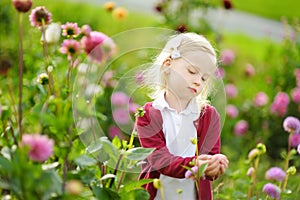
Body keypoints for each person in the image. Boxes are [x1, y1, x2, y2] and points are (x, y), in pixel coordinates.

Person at [136, 32, 229, 200]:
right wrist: (194, 165)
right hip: (158, 195)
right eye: (192, 71)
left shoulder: (208, 116)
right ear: (167, 65)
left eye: (204, 78)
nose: (198, 81)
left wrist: (215, 164)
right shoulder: (148, 115)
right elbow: (159, 159)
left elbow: (210, 161)